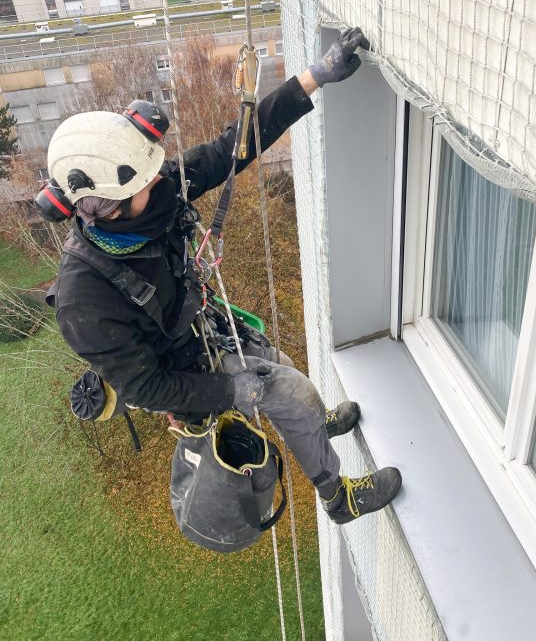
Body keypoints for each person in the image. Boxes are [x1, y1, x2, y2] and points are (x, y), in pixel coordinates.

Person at [42, 29, 402, 524]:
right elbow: (146, 388)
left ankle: (314, 425)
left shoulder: (150, 199)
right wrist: (230, 393)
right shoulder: (85, 301)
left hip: (200, 331)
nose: (160, 180)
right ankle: (336, 496)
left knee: (283, 367)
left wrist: (315, 76)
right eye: (146, 180)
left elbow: (231, 149)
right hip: (183, 376)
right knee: (288, 391)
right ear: (106, 206)